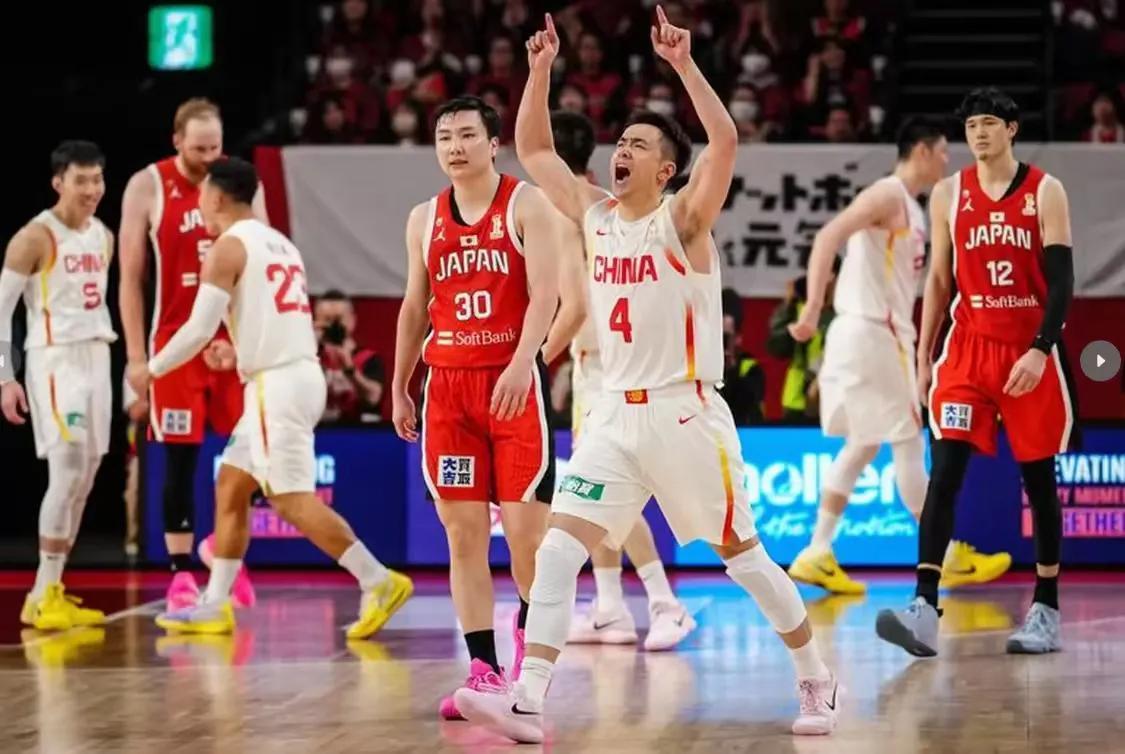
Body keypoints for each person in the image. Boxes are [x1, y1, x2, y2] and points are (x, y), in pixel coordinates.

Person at [455, 10, 840, 742]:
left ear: (665, 170)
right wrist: (539, 70)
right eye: (620, 142)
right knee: (557, 551)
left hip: (683, 413)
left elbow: (724, 142)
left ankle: (816, 677)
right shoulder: (594, 215)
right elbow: (532, 148)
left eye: (638, 144)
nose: (621, 151)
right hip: (612, 415)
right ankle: (528, 700)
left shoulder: (683, 220)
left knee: (744, 560)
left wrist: (683, 66)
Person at [128, 157, 412, 636]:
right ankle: (214, 602)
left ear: (217, 197)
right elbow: (274, 319)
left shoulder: (227, 247)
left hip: (275, 387)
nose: (199, 202)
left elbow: (197, 329)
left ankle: (377, 580)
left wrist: (149, 369)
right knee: (231, 484)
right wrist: (237, 352)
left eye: (203, 194)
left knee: (290, 500)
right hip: (294, 375)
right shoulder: (280, 243)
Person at [877, 87, 1076, 657]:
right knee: (944, 474)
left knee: (1038, 481)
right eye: (971, 126)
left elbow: (1062, 281)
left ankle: (1045, 608)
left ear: (1011, 129)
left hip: (1026, 350)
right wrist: (924, 357)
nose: (979, 133)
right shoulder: (948, 193)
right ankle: (924, 607)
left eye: (989, 123)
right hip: (966, 350)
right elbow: (940, 280)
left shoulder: (1046, 191)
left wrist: (1041, 349)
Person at [786, 117, 1012, 595]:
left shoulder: (909, 206)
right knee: (908, 438)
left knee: (864, 443)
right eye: (943, 151)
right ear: (922, 151)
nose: (948, 160)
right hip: (874, 333)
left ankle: (816, 551)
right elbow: (828, 236)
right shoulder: (888, 194)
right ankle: (945, 554)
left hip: (864, 334)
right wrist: (810, 308)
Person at [391, 96, 561, 718]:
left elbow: (547, 293)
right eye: (445, 137)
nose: (455, 146)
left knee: (526, 541)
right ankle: (483, 668)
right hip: (449, 391)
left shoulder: (527, 204)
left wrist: (523, 361)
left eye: (466, 135)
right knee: (463, 536)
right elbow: (415, 305)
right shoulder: (422, 218)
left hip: (512, 387)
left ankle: (529, 646)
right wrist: (400, 383)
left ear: (493, 144)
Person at [541, 109, 696, 651]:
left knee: (607, 494)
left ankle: (665, 602)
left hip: (616, 368)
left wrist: (532, 363)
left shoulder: (575, 212)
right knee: (593, 493)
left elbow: (577, 306)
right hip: (600, 365)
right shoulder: (597, 205)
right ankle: (610, 607)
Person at [119, 98, 263, 611]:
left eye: (215, 148)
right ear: (177, 141)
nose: (208, 159)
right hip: (176, 343)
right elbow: (130, 279)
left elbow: (260, 265)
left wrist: (242, 342)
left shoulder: (239, 184)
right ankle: (180, 573)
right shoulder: (148, 185)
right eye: (198, 149)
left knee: (252, 457)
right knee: (180, 460)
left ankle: (224, 554)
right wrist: (137, 357)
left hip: (229, 345)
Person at [0, 141, 115, 630]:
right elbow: (1, 312)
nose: (92, 189)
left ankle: (49, 590)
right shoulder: (34, 237)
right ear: (58, 183)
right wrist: (5, 376)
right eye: (81, 180)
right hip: (55, 360)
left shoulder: (103, 235)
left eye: (97, 179)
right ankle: (43, 592)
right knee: (66, 472)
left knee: (86, 476)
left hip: (97, 356)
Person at [719, 287, 766, 424]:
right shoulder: (699, 369)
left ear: (738, 337)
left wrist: (731, 370)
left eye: (726, 337)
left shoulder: (750, 369)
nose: (721, 343)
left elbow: (746, 409)